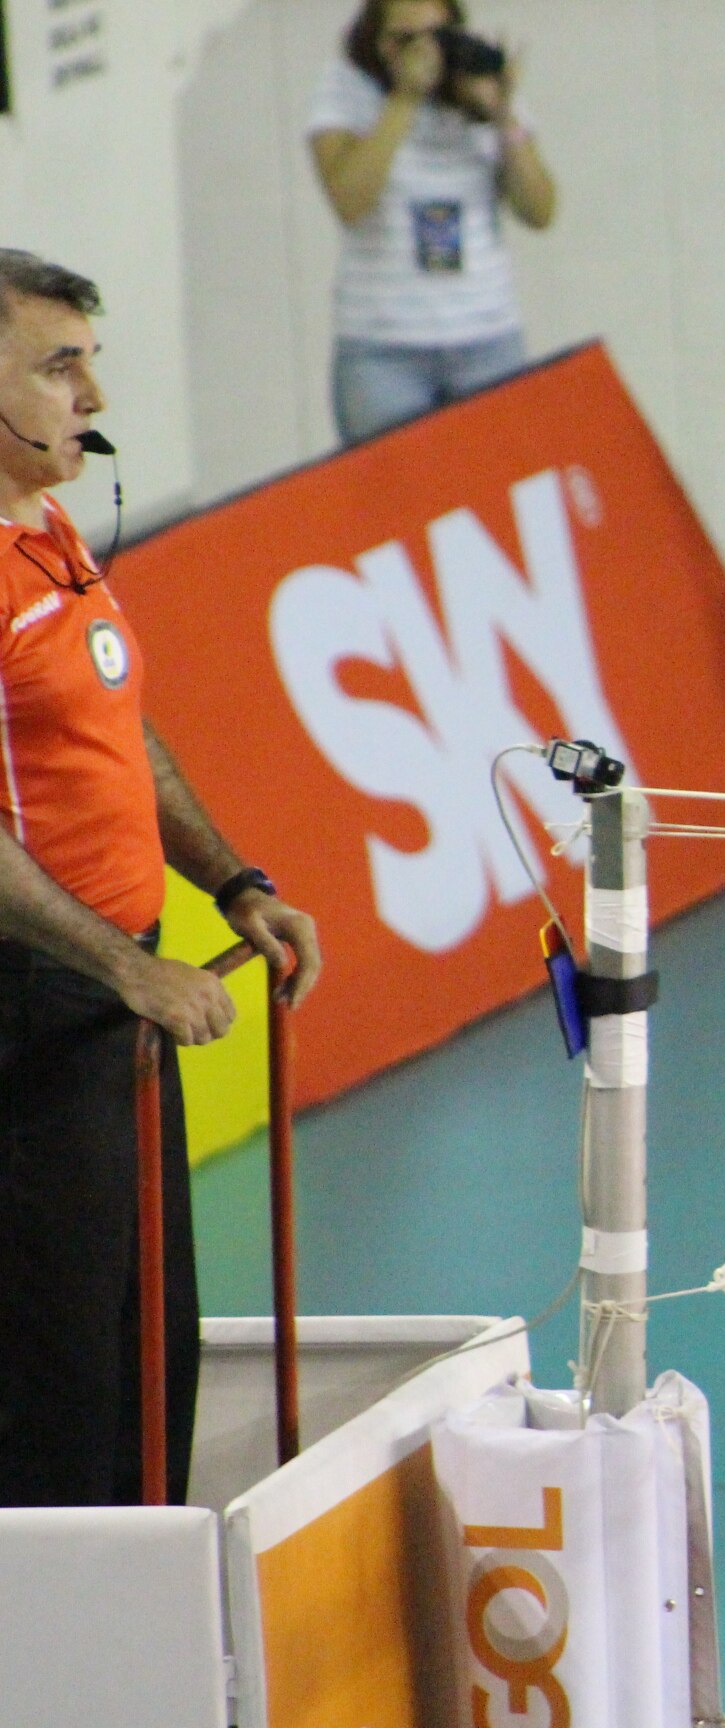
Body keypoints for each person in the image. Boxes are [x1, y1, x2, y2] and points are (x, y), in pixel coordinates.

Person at [0, 251, 325, 1507]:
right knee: (60, 1380)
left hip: (114, 1007)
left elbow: (120, 731)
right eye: (56, 364)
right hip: (40, 1008)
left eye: (90, 359)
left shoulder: (52, 522)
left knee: (151, 1344)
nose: (90, 391)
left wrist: (231, 883)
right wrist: (124, 966)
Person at [308, 0, 556, 444]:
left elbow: (540, 211)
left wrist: (504, 115)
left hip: (486, 335)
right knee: (393, 501)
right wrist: (405, 98)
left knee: (494, 488)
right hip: (384, 350)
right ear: (380, 43)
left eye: (438, 36)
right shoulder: (347, 87)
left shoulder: (476, 82)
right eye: (407, 40)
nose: (427, 53)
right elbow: (349, 201)